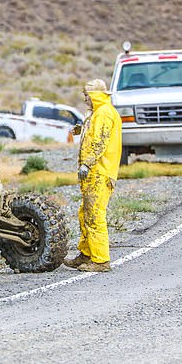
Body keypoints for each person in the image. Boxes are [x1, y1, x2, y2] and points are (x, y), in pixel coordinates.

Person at [65, 79, 122, 272]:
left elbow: (100, 142)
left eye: (87, 96)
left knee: (95, 214)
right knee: (86, 213)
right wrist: (80, 129)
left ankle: (100, 261)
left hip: (99, 172)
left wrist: (87, 164)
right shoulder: (98, 113)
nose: (85, 100)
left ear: (95, 95)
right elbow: (93, 132)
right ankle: (86, 253)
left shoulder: (104, 113)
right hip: (94, 173)